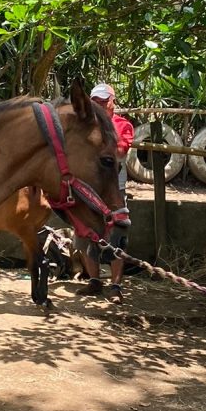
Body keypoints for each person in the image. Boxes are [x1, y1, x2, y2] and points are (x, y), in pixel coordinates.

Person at [75, 83, 135, 300]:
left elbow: (120, 151)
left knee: (117, 236)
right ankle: (94, 281)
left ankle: (116, 286)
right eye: (95, 101)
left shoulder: (122, 125)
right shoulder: (84, 125)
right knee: (84, 234)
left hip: (112, 189)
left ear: (113, 101)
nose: (99, 105)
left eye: (103, 101)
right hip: (88, 188)